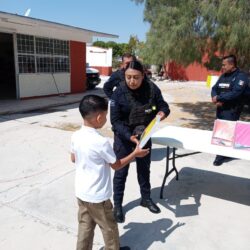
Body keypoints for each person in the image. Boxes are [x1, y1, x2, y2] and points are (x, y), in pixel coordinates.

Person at [70, 95, 149, 250]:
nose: (106, 119)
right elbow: (116, 165)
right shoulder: (101, 142)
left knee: (85, 228)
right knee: (109, 229)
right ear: (99, 117)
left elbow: (73, 158)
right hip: (99, 197)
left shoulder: (76, 135)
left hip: (82, 193)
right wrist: (135, 154)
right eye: (105, 116)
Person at [110, 60, 170, 223]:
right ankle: (117, 206)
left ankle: (146, 198)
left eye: (136, 77)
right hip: (124, 138)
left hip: (144, 136)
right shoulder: (118, 93)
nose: (132, 81)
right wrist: (129, 136)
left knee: (144, 169)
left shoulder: (152, 88)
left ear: (143, 76)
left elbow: (164, 106)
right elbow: (114, 121)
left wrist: (162, 113)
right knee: (121, 172)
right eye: (128, 77)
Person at [211, 55, 249, 166]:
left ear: (232, 64)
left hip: (232, 109)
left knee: (227, 131)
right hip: (220, 108)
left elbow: (236, 93)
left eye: (224, 65)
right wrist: (215, 97)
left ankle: (220, 156)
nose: (222, 67)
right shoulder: (224, 76)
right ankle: (224, 151)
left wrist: (219, 98)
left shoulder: (241, 77)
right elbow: (214, 88)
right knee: (220, 130)